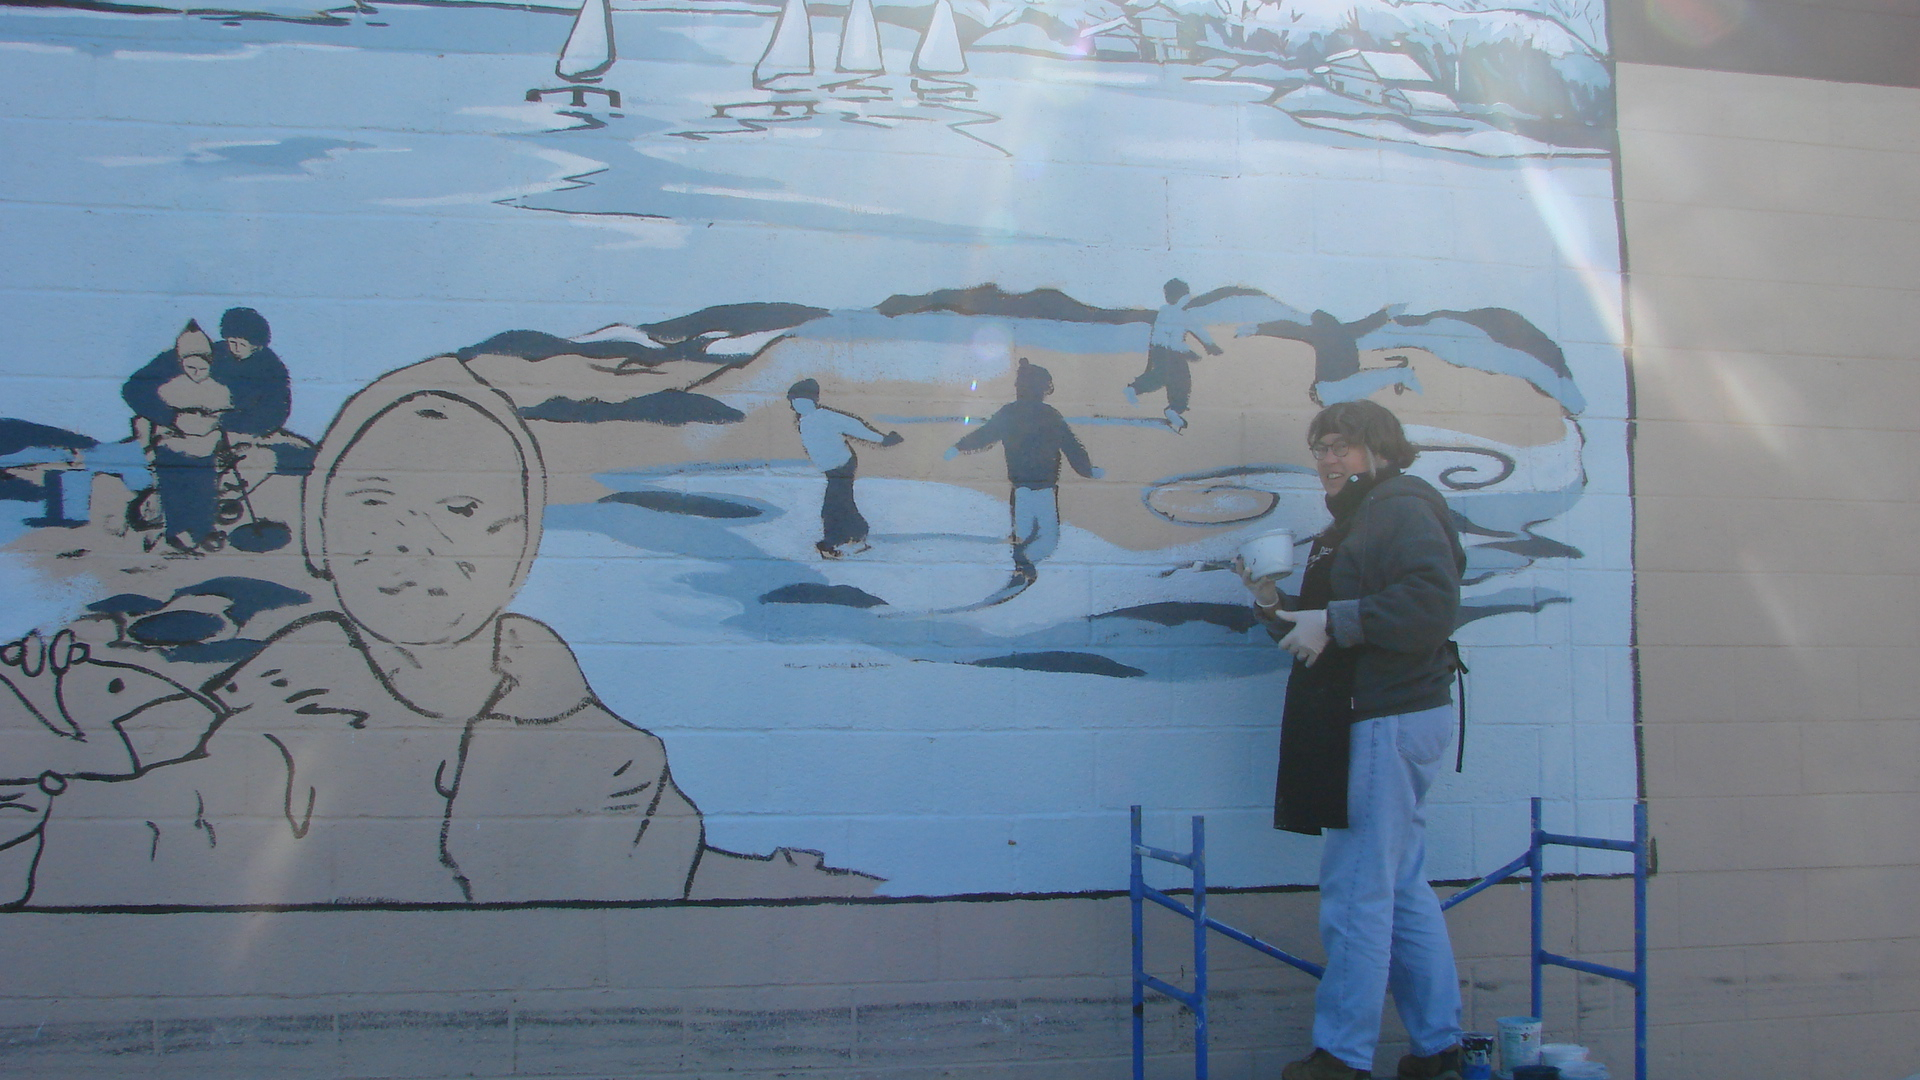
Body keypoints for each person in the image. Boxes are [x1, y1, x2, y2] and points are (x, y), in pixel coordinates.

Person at [13, 356, 710, 905]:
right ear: (320, 533)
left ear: (522, 542)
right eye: (374, 502)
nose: (411, 538)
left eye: (461, 508)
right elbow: (142, 841)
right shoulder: (267, 731)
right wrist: (48, 786)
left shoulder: (617, 764)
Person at [1238, 399, 1467, 1080]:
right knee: (1401, 886)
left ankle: (1342, 1057)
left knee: (1357, 889)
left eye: (1342, 446)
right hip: (1388, 714)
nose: (1328, 460)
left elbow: (1431, 605)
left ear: (1382, 450)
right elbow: (1315, 630)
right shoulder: (1359, 521)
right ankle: (1439, 1048)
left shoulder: (1400, 507)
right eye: (1321, 448)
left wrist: (1335, 621)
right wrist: (1271, 601)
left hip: (1385, 715)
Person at [947, 358, 1102, 585]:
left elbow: (985, 434)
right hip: (1044, 489)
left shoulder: (1010, 413)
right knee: (1048, 540)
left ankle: (1021, 565)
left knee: (1025, 535)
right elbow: (1072, 446)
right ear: (1042, 389)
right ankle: (1023, 563)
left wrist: (958, 447)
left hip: (1021, 489)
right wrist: (1088, 471)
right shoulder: (1050, 415)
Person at [123, 321, 227, 551]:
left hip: (204, 446)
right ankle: (180, 532)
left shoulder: (218, 386)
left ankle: (202, 531)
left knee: (201, 488)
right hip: (175, 446)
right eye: (190, 367)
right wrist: (172, 423)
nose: (196, 373)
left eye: (202, 368)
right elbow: (143, 407)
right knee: (176, 488)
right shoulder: (169, 385)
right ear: (181, 363)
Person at [787, 378, 903, 559]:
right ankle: (857, 535)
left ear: (814, 401)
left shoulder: (825, 416)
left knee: (832, 507)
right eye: (795, 401)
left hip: (842, 466)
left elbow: (854, 426)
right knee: (843, 503)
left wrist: (883, 439)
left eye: (804, 400)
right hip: (832, 470)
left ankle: (833, 542)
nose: (799, 404)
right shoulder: (804, 421)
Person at [1125, 278, 1223, 433]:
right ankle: (1174, 408)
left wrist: (1152, 359)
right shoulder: (1183, 314)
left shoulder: (1164, 312)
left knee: (1161, 376)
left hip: (1160, 350)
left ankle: (1136, 389)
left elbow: (1158, 337)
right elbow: (1195, 332)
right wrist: (1208, 347)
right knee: (1181, 381)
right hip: (1173, 352)